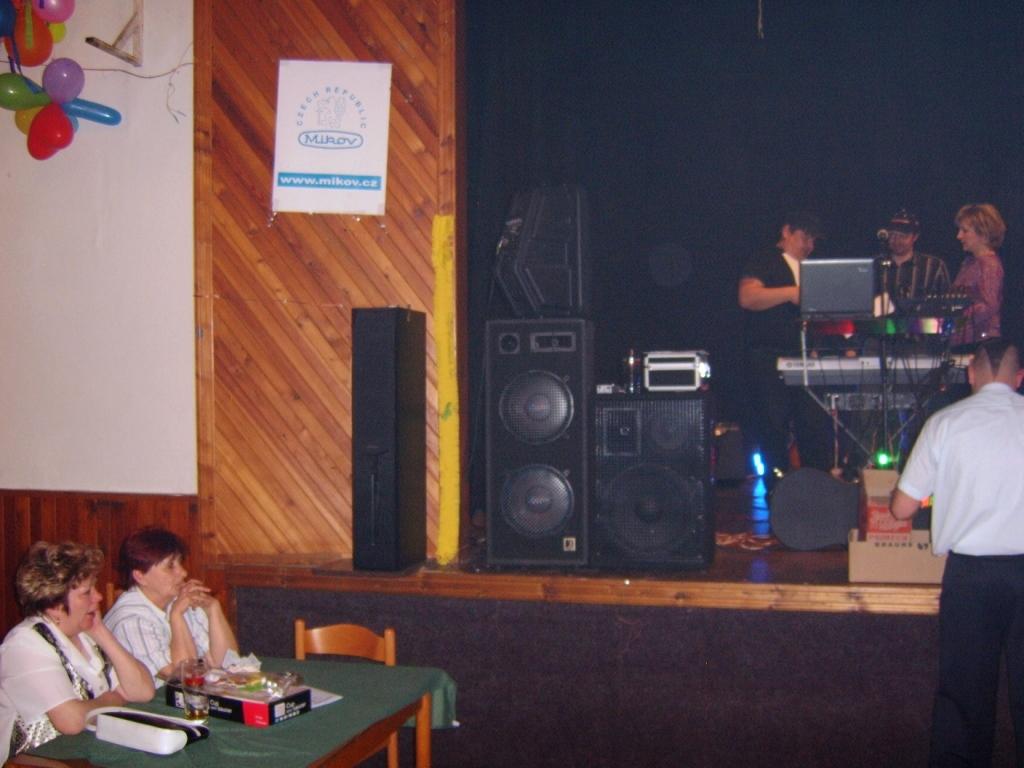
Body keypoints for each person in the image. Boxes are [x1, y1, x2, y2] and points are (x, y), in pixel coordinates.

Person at [890, 336, 1024, 766]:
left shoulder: (945, 423)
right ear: (1019, 378)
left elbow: (901, 508)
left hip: (972, 577)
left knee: (964, 698)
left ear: (970, 374)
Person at [0, 541, 155, 763]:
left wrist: (102, 633)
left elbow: (143, 691)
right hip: (34, 762)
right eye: (87, 592)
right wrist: (114, 698)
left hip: (84, 756)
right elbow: (71, 721)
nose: (98, 597)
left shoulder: (84, 634)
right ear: (54, 605)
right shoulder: (25, 644)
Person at [738, 211, 832, 482]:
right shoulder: (766, 259)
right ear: (786, 232)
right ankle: (776, 488)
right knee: (773, 426)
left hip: (806, 357)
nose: (809, 246)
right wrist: (791, 293)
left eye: (813, 240)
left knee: (814, 426)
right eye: (805, 238)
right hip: (769, 357)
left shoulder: (814, 269)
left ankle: (816, 485)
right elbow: (747, 297)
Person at [104, 527, 238, 685]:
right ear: (140, 576)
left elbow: (228, 662)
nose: (183, 572)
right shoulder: (131, 621)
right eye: (170, 566)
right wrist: (176, 616)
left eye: (180, 563)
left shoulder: (177, 600)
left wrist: (213, 609)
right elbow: (183, 677)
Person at [950, 203, 1005, 348]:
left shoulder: (989, 265)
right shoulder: (969, 263)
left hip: (980, 343)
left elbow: (989, 306)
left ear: (983, 233)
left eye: (965, 231)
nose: (959, 236)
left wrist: (956, 317)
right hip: (967, 340)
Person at [877, 208, 951, 310]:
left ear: (915, 237)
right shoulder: (876, 265)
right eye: (892, 235)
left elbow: (947, 304)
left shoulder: (934, 266)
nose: (896, 240)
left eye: (903, 236)